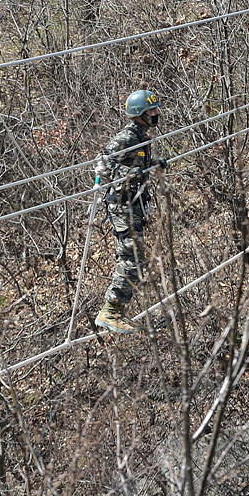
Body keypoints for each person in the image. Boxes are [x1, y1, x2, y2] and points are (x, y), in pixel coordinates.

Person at [94, 90, 168, 334]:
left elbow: (137, 164)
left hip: (134, 204)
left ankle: (116, 312)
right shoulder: (126, 137)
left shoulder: (141, 137)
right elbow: (102, 166)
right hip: (122, 205)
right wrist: (126, 176)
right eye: (152, 110)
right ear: (139, 114)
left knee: (136, 259)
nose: (156, 113)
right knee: (132, 259)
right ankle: (110, 311)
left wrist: (155, 162)